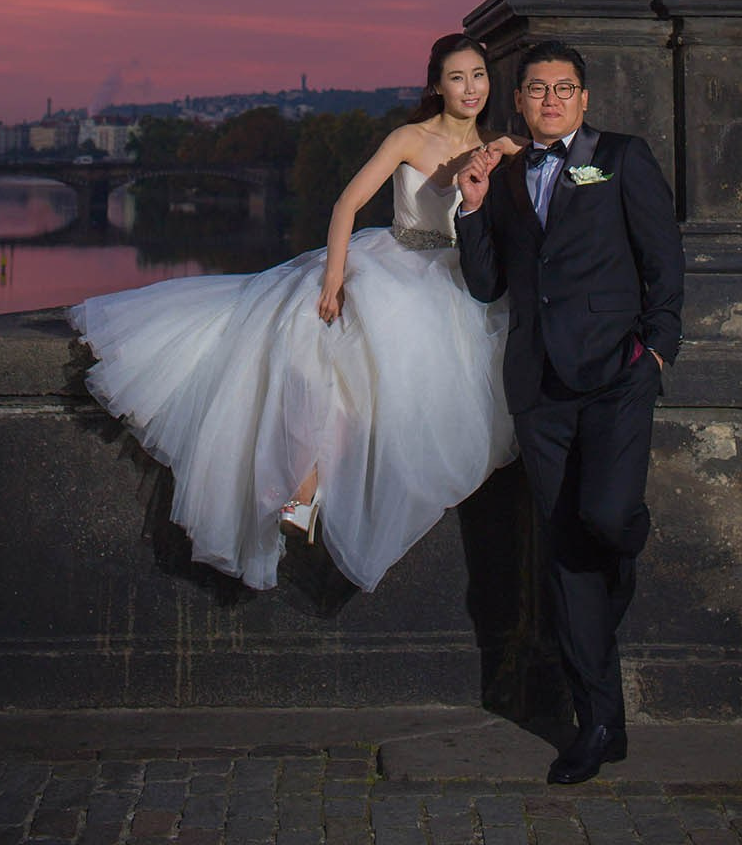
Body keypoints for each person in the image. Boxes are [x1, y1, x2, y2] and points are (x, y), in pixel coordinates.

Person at [69, 34, 519, 593]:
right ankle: (302, 485)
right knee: (319, 332)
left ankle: (316, 483)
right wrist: (334, 277)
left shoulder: (501, 147)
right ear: (436, 85)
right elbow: (346, 206)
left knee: (395, 369)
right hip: (394, 260)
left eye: (479, 75)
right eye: (458, 77)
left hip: (456, 275)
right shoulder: (409, 137)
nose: (472, 87)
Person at [455, 41, 684, 786]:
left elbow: (663, 261)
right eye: (536, 90)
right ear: (517, 102)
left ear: (584, 99)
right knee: (566, 555)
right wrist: (471, 206)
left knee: (607, 522)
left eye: (564, 88)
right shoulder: (509, 175)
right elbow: (487, 284)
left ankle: (622, 547)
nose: (550, 100)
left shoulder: (621, 157)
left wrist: (656, 354)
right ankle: (599, 725)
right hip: (540, 390)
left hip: (617, 378)